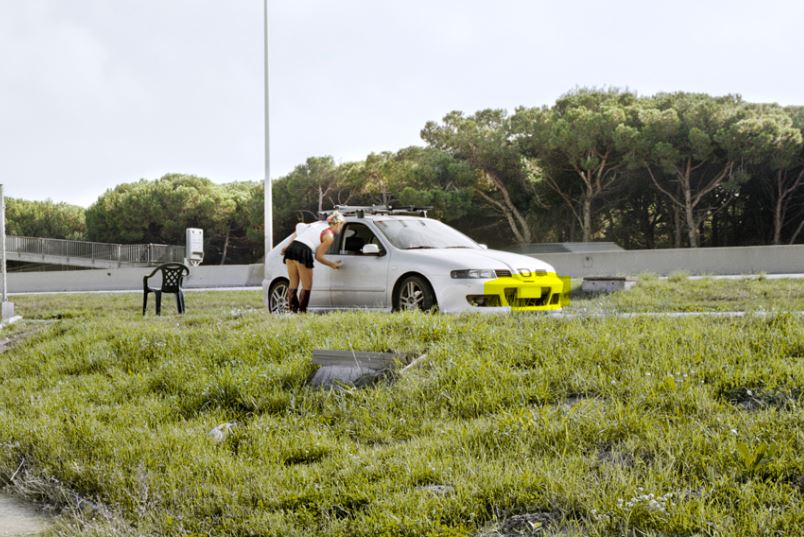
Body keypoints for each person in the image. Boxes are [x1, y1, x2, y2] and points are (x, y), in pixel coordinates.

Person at [280, 211, 345, 312]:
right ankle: (302, 312)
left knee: (293, 283)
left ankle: (292, 312)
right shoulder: (329, 236)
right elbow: (319, 256)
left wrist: (288, 247)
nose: (341, 228)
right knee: (307, 285)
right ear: (338, 224)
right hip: (304, 251)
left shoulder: (316, 226)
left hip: (292, 249)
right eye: (341, 225)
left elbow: (297, 232)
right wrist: (332, 265)